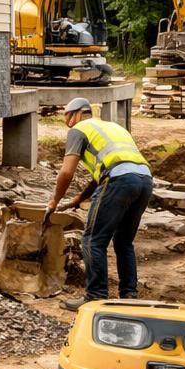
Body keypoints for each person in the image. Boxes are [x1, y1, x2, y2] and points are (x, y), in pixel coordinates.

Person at [45, 97, 153, 309]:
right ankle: (129, 295)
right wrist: (79, 199)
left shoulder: (79, 129)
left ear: (76, 114)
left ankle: (95, 296)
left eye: (67, 118)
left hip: (118, 180)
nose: (68, 124)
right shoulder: (112, 127)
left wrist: (54, 201)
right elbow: (107, 169)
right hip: (144, 180)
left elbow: (66, 172)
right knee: (124, 242)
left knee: (93, 240)